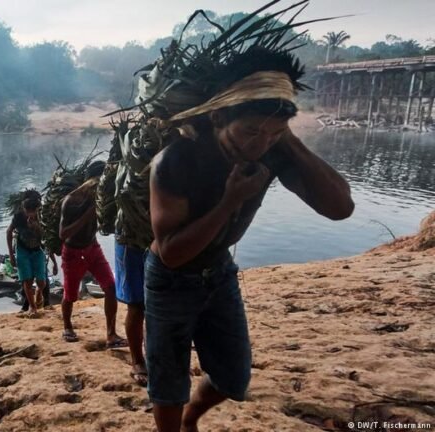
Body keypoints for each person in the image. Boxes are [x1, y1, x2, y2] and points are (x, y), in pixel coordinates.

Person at [143, 48, 355, 431]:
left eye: (272, 134)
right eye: (251, 131)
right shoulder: (176, 162)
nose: (259, 145)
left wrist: (287, 140)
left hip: (219, 273)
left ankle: (191, 420)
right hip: (170, 280)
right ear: (218, 117)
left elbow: (340, 208)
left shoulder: (273, 151)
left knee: (234, 379)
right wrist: (230, 201)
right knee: (168, 383)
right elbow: (172, 253)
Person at [58, 160, 126, 347]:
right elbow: (63, 234)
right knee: (71, 294)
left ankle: (111, 334)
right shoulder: (71, 200)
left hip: (93, 248)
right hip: (72, 252)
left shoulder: (101, 198)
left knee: (111, 287)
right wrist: (87, 216)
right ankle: (67, 327)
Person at [7, 197, 58, 316]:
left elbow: (47, 241)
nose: (30, 214)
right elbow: (9, 232)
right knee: (27, 280)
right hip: (22, 250)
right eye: (27, 210)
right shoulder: (18, 217)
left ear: (37, 210)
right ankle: (32, 307)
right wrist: (11, 254)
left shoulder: (42, 219)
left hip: (37, 250)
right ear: (24, 209)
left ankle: (39, 293)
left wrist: (54, 262)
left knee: (41, 282)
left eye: (32, 211)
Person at [114, 238, 148, 387]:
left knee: (161, 305)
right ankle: (138, 361)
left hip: (163, 241)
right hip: (132, 240)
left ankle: (158, 358)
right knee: (136, 305)